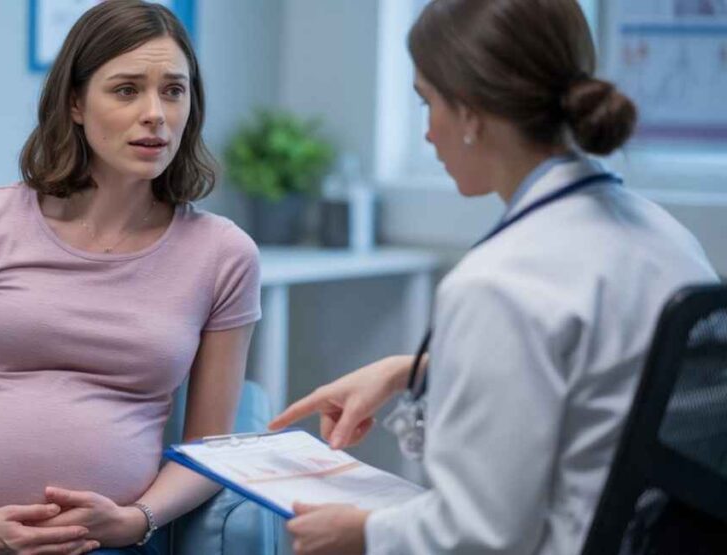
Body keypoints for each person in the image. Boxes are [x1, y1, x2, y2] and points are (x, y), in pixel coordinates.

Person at [268, 1, 719, 554]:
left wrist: (362, 534)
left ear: (470, 113)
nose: (427, 133)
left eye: (427, 102)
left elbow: (480, 535)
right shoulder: (666, 237)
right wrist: (412, 370)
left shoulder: (498, 282)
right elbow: (606, 382)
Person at [0, 2, 261, 554]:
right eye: (126, 90)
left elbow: (210, 448)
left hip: (99, 544)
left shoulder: (224, 254)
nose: (155, 113)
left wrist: (137, 520)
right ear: (75, 103)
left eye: (173, 91)